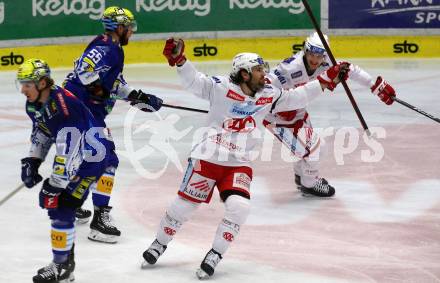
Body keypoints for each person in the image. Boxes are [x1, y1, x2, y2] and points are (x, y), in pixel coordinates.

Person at [141, 38, 350, 279]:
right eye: (259, 70)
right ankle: (159, 243)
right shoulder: (220, 87)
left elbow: (298, 97)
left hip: (238, 162)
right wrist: (179, 61)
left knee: (239, 207)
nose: (265, 75)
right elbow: (195, 82)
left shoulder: (269, 94)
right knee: (184, 206)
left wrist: (326, 79)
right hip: (208, 157)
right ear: (244, 74)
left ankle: (215, 254)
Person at [62, 6, 163, 243]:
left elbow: (115, 84)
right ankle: (99, 220)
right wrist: (99, 90)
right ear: (118, 27)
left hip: (84, 111)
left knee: (94, 160)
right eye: (129, 28)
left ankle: (71, 201)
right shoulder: (106, 46)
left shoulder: (113, 48)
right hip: (82, 111)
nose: (132, 32)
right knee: (107, 159)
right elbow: (84, 69)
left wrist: (141, 98)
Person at [264, 32, 396, 197]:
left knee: (304, 150)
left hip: (298, 113)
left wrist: (375, 86)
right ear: (305, 51)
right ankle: (309, 184)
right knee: (316, 150)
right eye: (311, 54)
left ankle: (301, 177)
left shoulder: (326, 63)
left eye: (318, 56)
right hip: (277, 117)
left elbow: (350, 69)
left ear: (324, 56)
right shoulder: (290, 68)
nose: (314, 59)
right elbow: (267, 85)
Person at [17, 58, 112, 282]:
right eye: (21, 84)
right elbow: (41, 131)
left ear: (42, 84)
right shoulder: (35, 103)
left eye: (27, 84)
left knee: (62, 206)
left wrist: (55, 184)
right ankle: (64, 264)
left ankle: (62, 267)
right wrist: (33, 160)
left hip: (92, 159)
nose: (22, 90)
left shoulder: (64, 108)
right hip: (77, 154)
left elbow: (71, 149)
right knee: (59, 207)